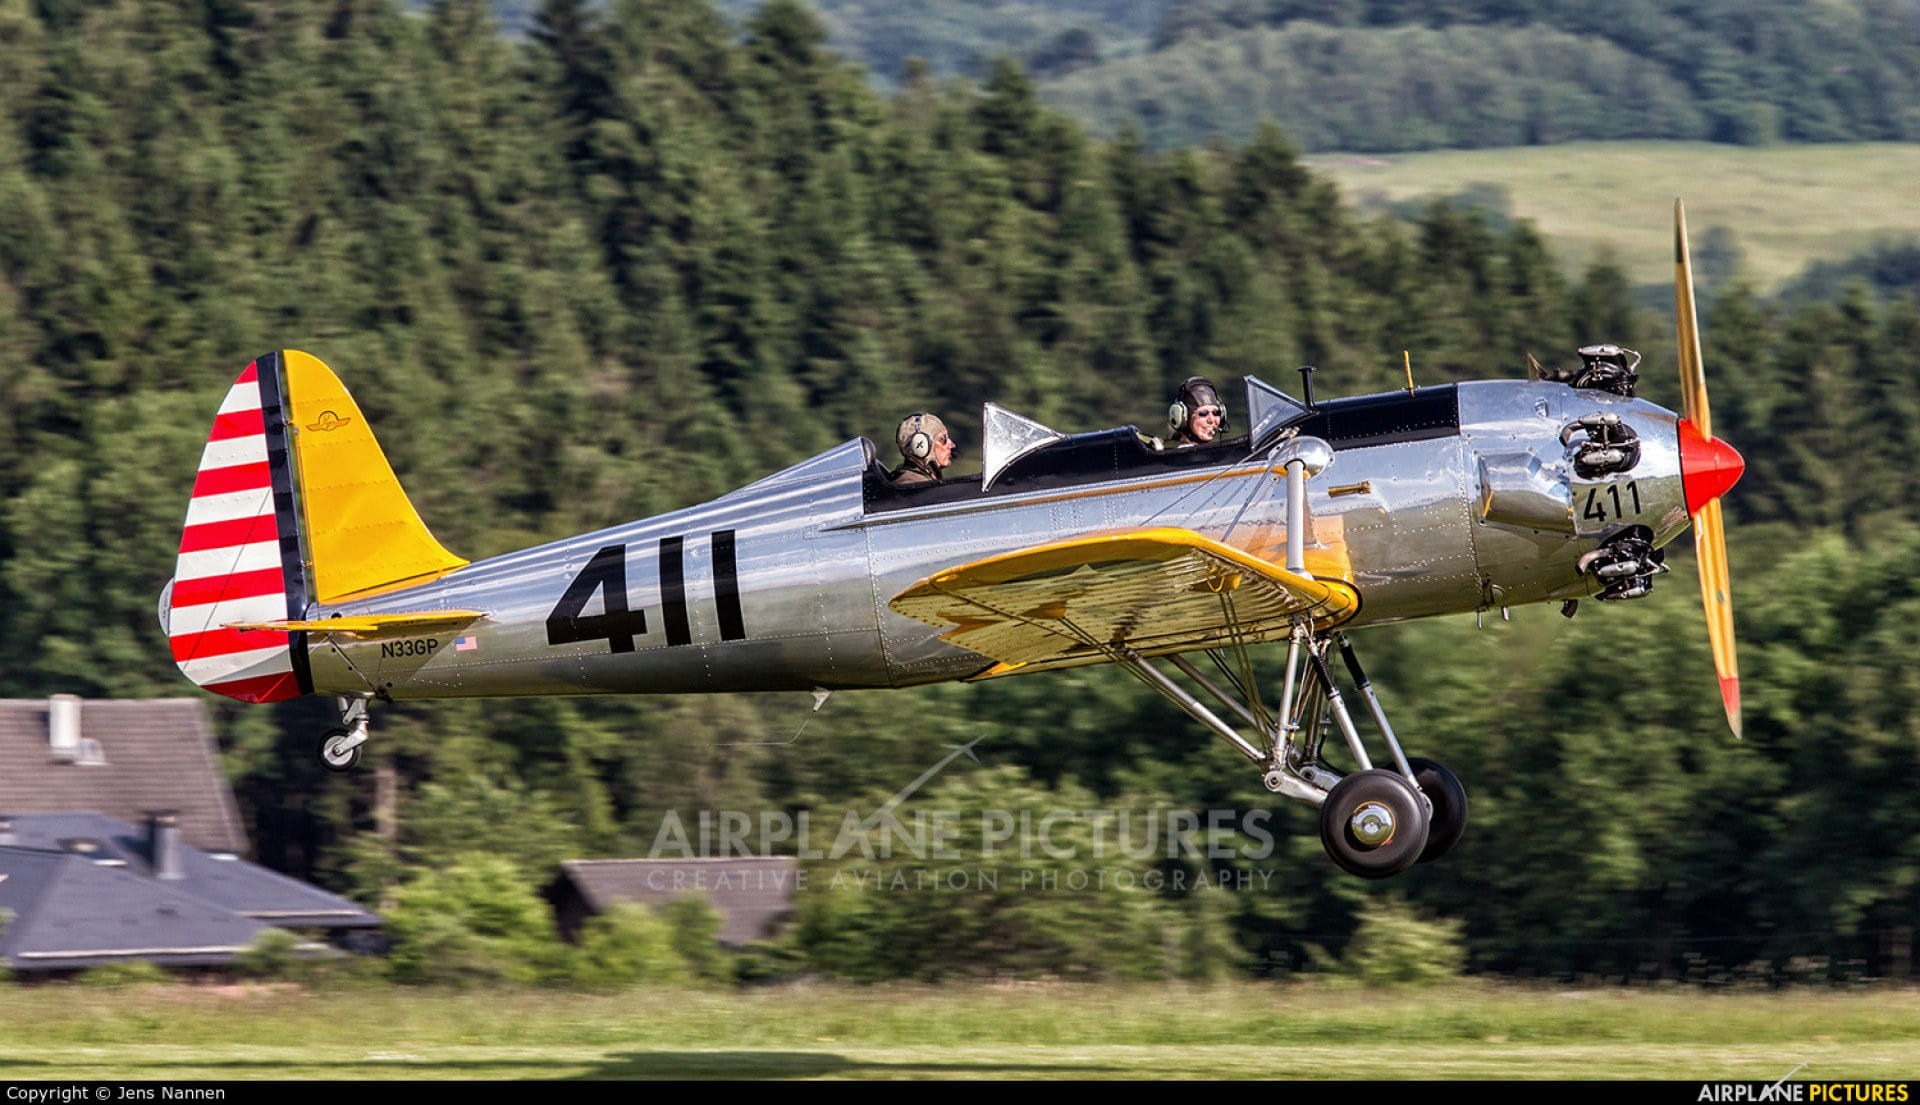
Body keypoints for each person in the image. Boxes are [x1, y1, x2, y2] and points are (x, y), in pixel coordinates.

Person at [890, 411, 956, 485]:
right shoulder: (912, 486)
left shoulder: (920, 482)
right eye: (943, 439)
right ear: (921, 445)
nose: (952, 445)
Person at [1163, 376, 1228, 448]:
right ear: (1183, 418)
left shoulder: (1219, 453)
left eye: (1216, 413)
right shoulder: (1164, 452)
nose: (1211, 420)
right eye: (1203, 414)